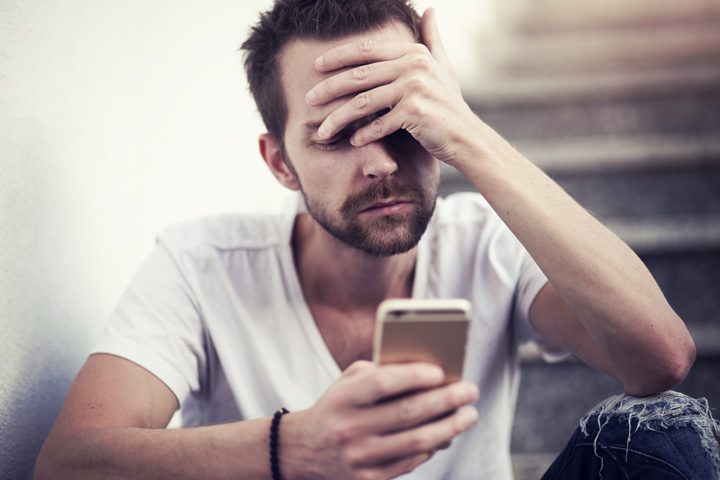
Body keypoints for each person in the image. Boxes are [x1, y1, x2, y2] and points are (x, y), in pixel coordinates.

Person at [35, 1, 720, 479]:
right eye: (337, 132)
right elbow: (66, 464)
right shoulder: (200, 266)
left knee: (660, 430)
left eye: (399, 117)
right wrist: (293, 447)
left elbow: (660, 358)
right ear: (279, 163)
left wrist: (468, 134)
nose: (383, 161)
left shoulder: (484, 242)